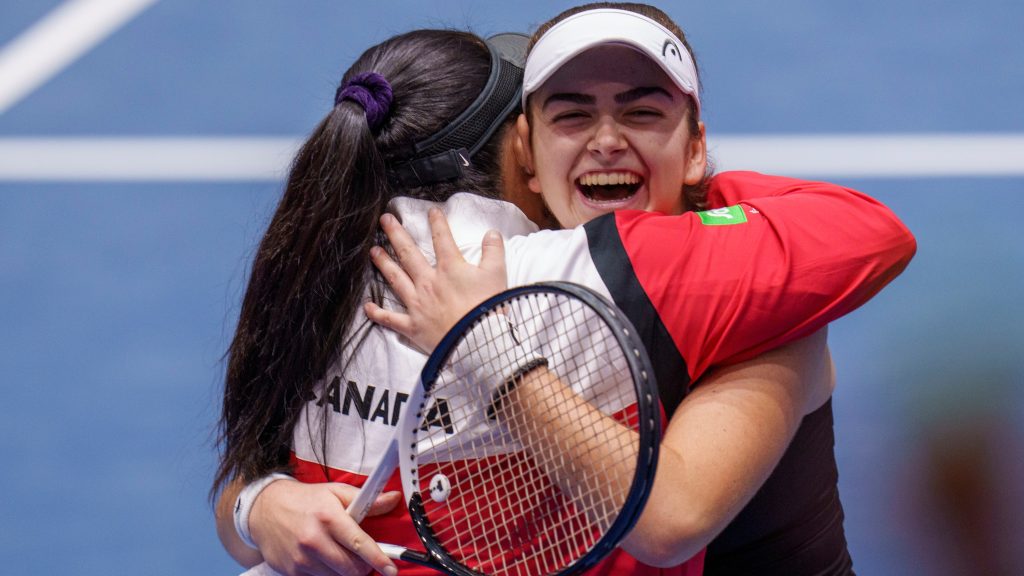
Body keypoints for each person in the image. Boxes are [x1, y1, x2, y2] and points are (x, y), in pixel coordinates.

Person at [212, 11, 914, 576]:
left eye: (642, 114)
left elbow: (670, 521)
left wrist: (483, 343)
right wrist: (262, 507)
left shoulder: (758, 297)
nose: (607, 140)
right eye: (572, 116)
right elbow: (250, 484)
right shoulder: (502, 278)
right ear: (529, 153)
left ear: (696, 146)